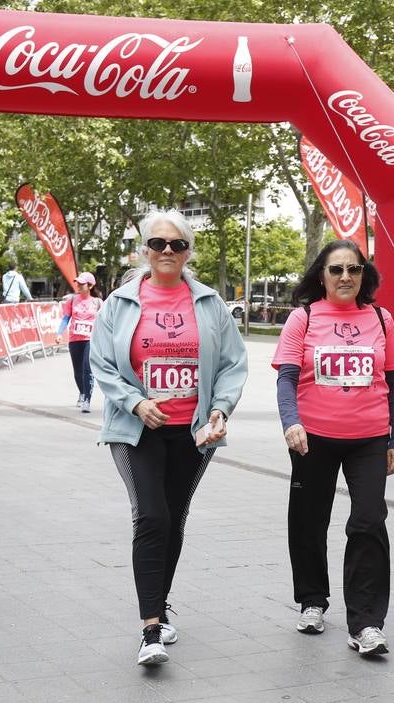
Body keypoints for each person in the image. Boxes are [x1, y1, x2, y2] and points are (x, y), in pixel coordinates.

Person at [89, 210, 248, 667]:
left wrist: (220, 410)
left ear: (188, 252)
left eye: (177, 245)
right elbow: (101, 364)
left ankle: (160, 604)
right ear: (144, 250)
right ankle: (150, 630)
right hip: (135, 429)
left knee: (174, 518)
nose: (167, 252)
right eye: (157, 244)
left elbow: (234, 363)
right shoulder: (119, 303)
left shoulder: (210, 303)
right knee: (152, 517)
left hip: (192, 432)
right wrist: (135, 402)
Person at [273, 239, 394, 657]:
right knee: (309, 521)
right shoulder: (304, 317)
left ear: (364, 275)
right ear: (321, 275)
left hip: (369, 440)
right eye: (337, 270)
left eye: (354, 268)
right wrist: (291, 422)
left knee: (368, 522)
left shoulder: (382, 319)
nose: (346, 277)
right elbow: (286, 379)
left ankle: (365, 622)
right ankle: (312, 600)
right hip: (313, 438)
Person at [59, 272, 102, 413]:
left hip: (90, 339)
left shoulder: (97, 302)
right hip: (75, 339)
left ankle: (87, 400)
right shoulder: (71, 300)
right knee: (77, 370)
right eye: (77, 283)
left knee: (87, 369)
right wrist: (59, 333)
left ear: (90, 286)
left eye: (81, 283)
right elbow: (66, 318)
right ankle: (82, 393)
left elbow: (105, 322)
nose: (78, 285)